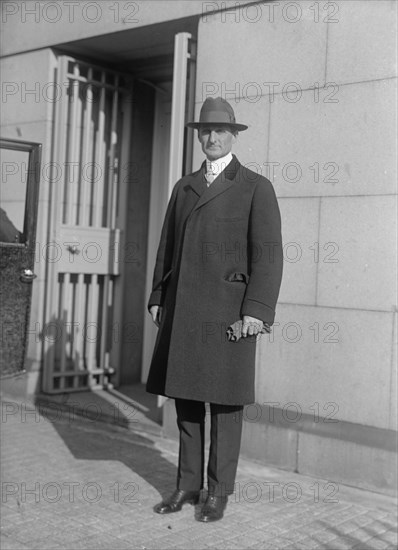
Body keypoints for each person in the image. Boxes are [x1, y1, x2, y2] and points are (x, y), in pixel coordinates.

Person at [146, 97, 283, 522]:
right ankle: (188, 484)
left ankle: (219, 491)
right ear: (198, 135)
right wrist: (157, 296)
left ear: (233, 135)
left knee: (225, 405)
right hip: (185, 309)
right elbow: (167, 245)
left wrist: (255, 311)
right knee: (186, 399)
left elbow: (269, 255)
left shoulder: (255, 186)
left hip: (230, 315)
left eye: (220, 131)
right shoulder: (184, 186)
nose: (211, 137)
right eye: (205, 131)